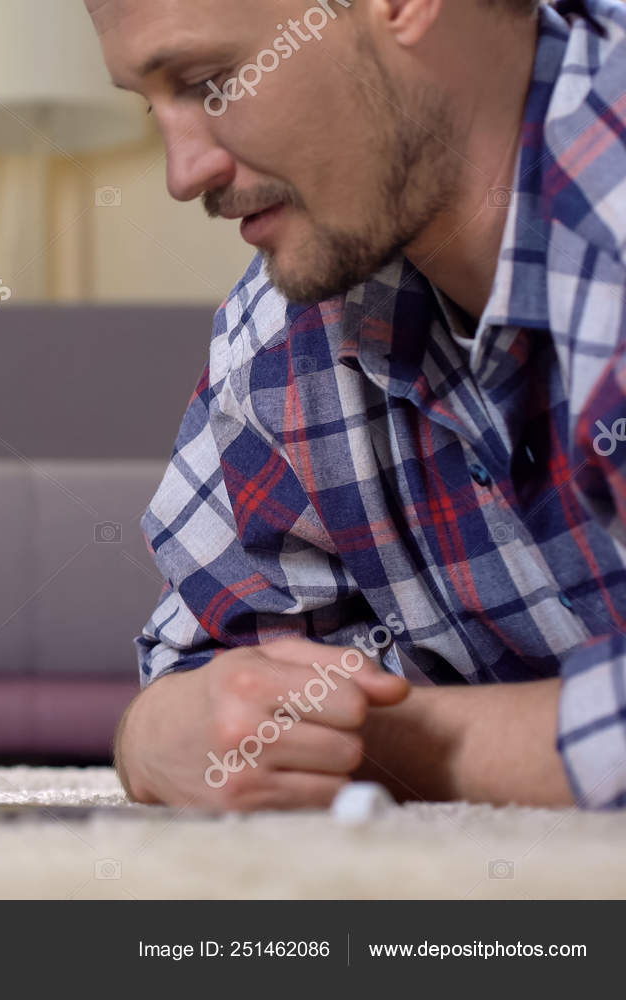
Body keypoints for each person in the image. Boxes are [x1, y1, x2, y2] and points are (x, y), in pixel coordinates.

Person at [90, 0, 626, 810]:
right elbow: (201, 674)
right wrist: (155, 732)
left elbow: (324, 735)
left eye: (210, 82)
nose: (182, 173)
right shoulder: (278, 339)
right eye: (151, 102)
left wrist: (398, 742)